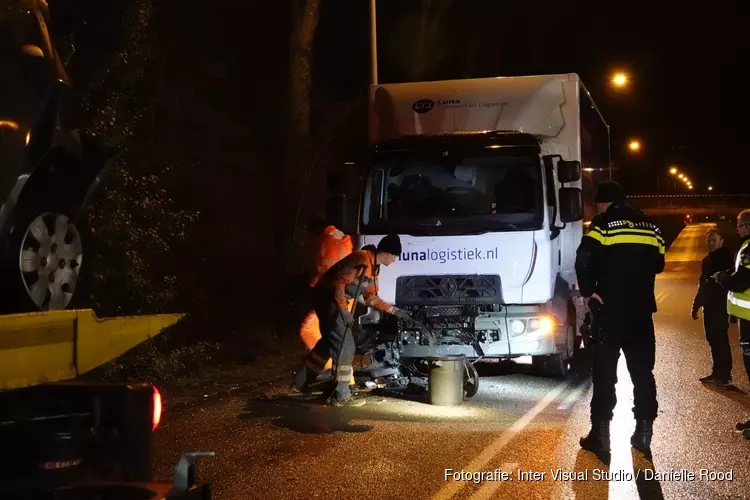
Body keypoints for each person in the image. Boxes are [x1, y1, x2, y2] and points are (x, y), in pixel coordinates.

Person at [575, 180, 666, 456]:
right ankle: (643, 433)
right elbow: (659, 263)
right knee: (642, 373)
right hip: (640, 313)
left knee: (604, 375)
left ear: (604, 202)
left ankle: (600, 436)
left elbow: (583, 259)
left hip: (610, 312)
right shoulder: (650, 226)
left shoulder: (602, 225)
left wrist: (589, 292)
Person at [290, 234, 411, 407]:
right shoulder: (361, 259)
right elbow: (338, 284)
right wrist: (343, 311)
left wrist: (394, 311)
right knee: (345, 345)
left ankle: (301, 383)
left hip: (333, 300)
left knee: (330, 342)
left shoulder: (373, 267)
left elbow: (369, 297)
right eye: (394, 257)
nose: (394, 261)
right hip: (328, 298)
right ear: (386, 253)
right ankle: (341, 394)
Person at [298, 216, 354, 385]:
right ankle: (328, 374)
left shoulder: (327, 241)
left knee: (312, 331)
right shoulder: (339, 237)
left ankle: (334, 374)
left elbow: (325, 269)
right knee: (334, 336)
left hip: (332, 295)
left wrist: (314, 286)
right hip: (341, 294)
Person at [712, 209, 750, 439]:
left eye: (740, 224)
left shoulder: (748, 250)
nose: (737, 228)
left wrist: (723, 279)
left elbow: (741, 282)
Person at [691, 227, 734, 386]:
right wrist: (696, 304)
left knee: (719, 339)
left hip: (720, 306)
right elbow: (703, 284)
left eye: (713, 241)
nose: (710, 244)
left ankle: (724, 375)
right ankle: (718, 373)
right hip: (709, 306)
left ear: (721, 241)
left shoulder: (727, 259)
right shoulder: (707, 260)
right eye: (708, 241)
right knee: (713, 340)